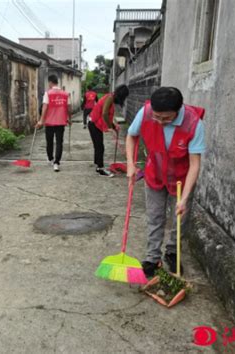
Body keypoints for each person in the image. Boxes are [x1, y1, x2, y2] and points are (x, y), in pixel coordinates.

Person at [125, 87, 206, 277]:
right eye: (157, 117)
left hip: (181, 178)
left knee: (180, 219)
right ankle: (153, 258)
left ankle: (172, 252)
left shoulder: (194, 123)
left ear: (178, 111)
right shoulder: (145, 113)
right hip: (155, 173)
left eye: (166, 118)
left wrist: (184, 198)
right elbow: (131, 135)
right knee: (155, 217)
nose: (160, 122)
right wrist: (130, 164)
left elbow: (195, 164)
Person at [88, 84, 129, 177]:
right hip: (93, 124)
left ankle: (97, 163)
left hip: (93, 123)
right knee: (100, 147)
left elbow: (107, 115)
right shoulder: (110, 98)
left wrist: (114, 127)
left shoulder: (110, 96)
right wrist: (110, 127)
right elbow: (105, 114)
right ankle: (100, 169)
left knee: (98, 146)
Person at [36, 75, 71, 172]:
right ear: (57, 82)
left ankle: (51, 159)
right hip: (61, 122)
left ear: (50, 82)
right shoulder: (65, 94)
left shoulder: (48, 93)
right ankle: (56, 163)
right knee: (59, 142)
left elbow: (44, 108)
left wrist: (41, 121)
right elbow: (69, 108)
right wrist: (69, 118)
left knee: (50, 142)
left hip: (49, 122)